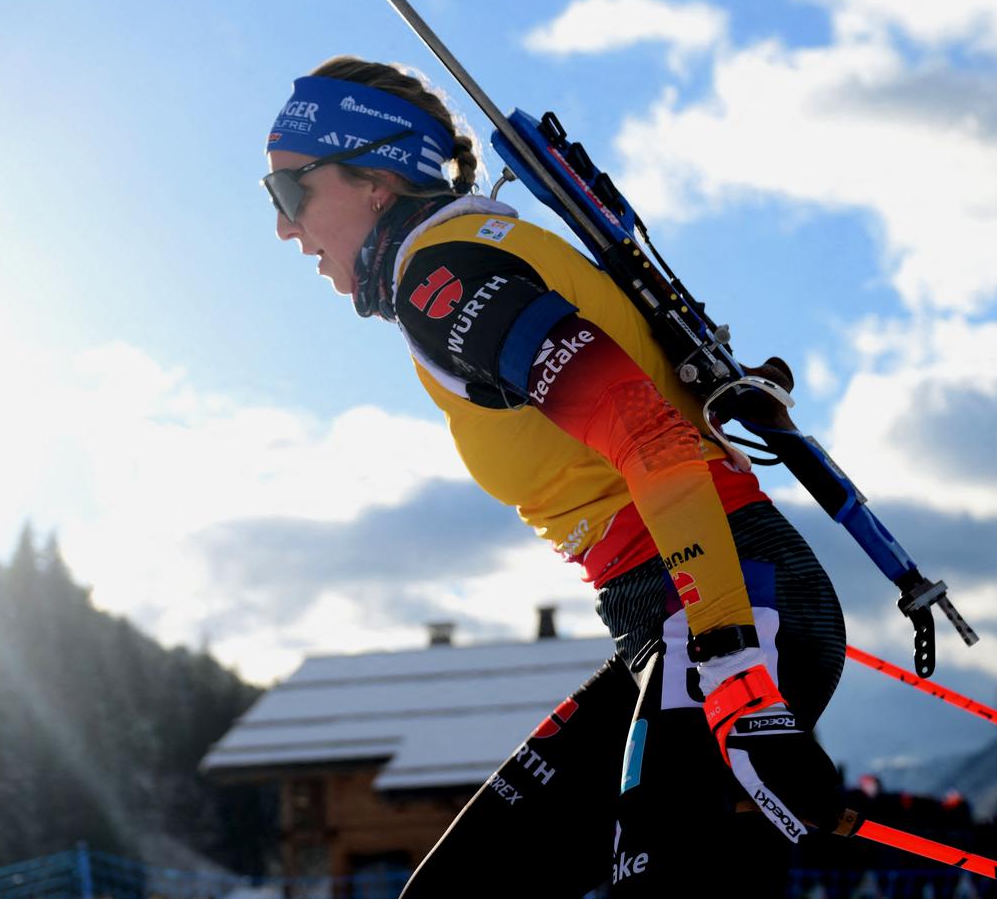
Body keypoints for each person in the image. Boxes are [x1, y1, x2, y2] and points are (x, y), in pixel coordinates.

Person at [263, 57, 847, 897]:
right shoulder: (479, 253)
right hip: (686, 611)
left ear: (377, 180)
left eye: (290, 193)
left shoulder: (445, 278)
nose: (284, 228)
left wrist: (732, 663)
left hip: (720, 606)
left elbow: (650, 439)